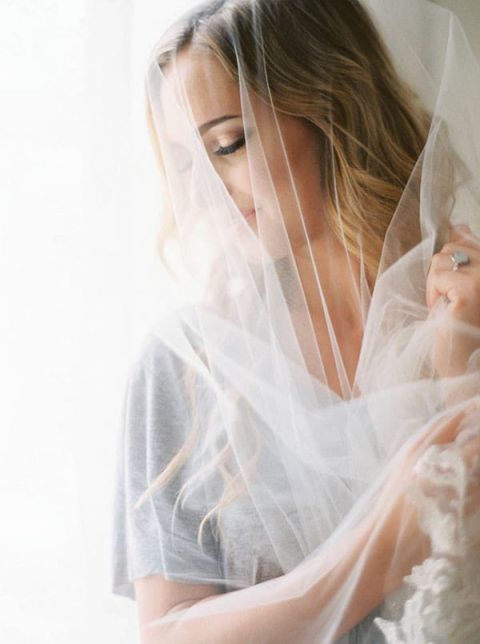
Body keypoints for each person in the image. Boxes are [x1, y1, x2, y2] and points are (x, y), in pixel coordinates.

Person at [111, 0, 480, 641]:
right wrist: (377, 546)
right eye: (185, 165)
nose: (203, 190)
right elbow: (165, 634)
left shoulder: (467, 305)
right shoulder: (185, 363)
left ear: (335, 106)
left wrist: (459, 378)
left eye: (226, 145)